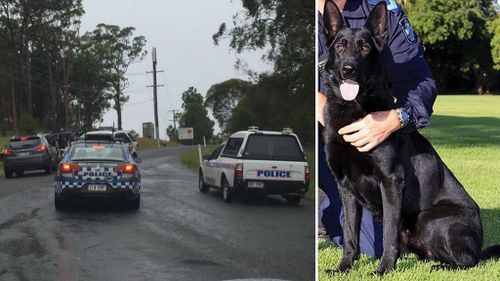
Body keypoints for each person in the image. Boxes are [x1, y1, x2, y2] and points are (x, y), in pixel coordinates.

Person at [317, 0, 438, 258]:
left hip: (364, 127)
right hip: (315, 134)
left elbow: (420, 80)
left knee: (374, 248)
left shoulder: (384, 12)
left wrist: (396, 118)